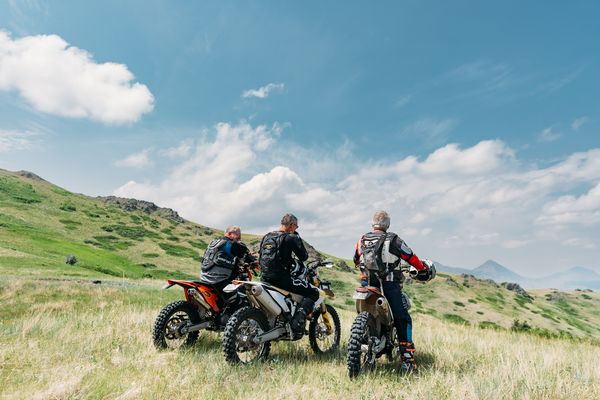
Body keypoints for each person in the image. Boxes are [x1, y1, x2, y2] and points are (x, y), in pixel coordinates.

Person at [353, 210, 433, 372]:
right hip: (388, 285)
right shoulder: (394, 239)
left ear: (372, 224)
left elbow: (356, 259)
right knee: (403, 319)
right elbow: (410, 257)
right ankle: (407, 360)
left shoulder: (362, 239)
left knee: (361, 315)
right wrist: (422, 268)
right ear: (387, 225)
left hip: (366, 284)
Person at [259, 213, 319, 335]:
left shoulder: (267, 236)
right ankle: (297, 321)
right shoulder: (290, 238)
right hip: (281, 279)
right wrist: (297, 237)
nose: (296, 229)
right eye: (296, 227)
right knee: (313, 292)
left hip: (265, 278)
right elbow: (304, 256)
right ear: (291, 225)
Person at [199, 225, 255, 293]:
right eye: (238, 236)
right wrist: (253, 261)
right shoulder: (230, 244)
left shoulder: (214, 242)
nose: (239, 239)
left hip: (203, 278)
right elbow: (247, 256)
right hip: (218, 281)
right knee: (240, 300)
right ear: (229, 233)